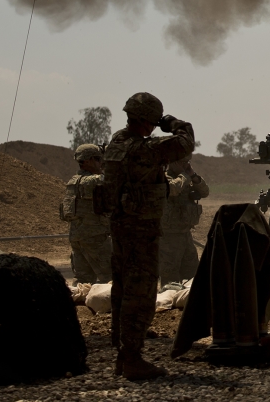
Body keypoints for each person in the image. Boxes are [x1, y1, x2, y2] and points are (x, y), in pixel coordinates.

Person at [102, 92, 195, 380]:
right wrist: (174, 123)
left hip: (119, 225)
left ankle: (122, 349)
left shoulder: (117, 143)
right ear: (146, 122)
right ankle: (132, 358)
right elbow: (185, 143)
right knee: (141, 292)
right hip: (141, 228)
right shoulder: (146, 149)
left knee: (122, 286)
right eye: (153, 123)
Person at [60, 144, 112, 284]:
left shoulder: (73, 181)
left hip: (77, 236)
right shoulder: (93, 181)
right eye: (98, 159)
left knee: (82, 280)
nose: (100, 162)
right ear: (88, 161)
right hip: (94, 237)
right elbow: (113, 179)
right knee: (111, 277)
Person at [160, 158, 209, 287]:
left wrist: (193, 176)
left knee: (192, 275)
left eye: (187, 161)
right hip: (169, 236)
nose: (185, 164)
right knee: (170, 278)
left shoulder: (186, 179)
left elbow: (205, 192)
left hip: (185, 234)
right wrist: (185, 175)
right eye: (182, 161)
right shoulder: (164, 177)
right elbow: (172, 189)